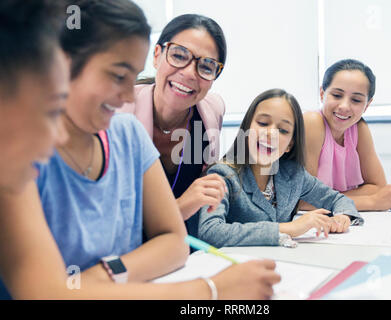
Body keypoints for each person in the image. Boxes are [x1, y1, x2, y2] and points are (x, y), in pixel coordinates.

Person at [0, 0, 280, 300]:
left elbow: (174, 240)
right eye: (118, 75)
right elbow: (46, 292)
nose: (125, 96)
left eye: (206, 66)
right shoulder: (19, 152)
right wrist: (211, 290)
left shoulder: (139, 130)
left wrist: (100, 276)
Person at [197, 89, 363, 248]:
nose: (271, 133)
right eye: (263, 123)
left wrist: (343, 216)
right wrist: (289, 228)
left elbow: (338, 200)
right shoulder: (222, 175)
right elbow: (210, 231)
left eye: (283, 130)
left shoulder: (293, 174)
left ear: (290, 144)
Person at [119, 14, 228, 237]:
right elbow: (111, 222)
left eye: (206, 67)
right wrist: (180, 208)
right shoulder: (118, 115)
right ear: (157, 56)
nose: (189, 73)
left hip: (185, 251)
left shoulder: (211, 111)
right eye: (179, 55)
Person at [302, 59, 391, 211]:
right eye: (337, 95)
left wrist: (328, 198)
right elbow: (304, 200)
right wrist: (371, 202)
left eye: (356, 100)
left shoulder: (358, 127)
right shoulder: (312, 122)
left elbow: (378, 187)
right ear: (322, 94)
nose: (344, 106)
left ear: (367, 105)